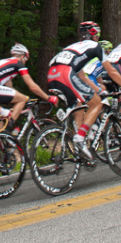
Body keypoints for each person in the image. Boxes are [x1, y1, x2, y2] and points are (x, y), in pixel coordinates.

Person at [47, 22, 106, 159]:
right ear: (94, 35)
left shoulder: (72, 47)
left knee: (78, 107)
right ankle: (80, 138)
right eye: (97, 34)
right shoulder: (95, 46)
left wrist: (97, 89)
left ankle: (80, 146)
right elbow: (112, 71)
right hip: (65, 74)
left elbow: (82, 76)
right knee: (96, 103)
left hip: (52, 74)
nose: (98, 37)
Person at [0, 43, 58, 125]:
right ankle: (9, 126)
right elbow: (33, 86)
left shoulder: (2, 63)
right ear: (23, 57)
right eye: (25, 60)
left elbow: (9, 87)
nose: (24, 63)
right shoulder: (18, 63)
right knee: (22, 99)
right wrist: (48, 98)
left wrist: (25, 97)